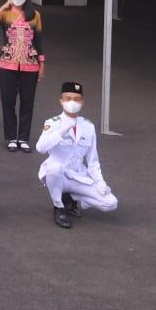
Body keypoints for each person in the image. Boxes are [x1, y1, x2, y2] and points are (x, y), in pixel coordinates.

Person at [36, 81, 117, 228]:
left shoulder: (88, 126)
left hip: (78, 176)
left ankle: (72, 197)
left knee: (110, 203)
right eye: (67, 98)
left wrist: (100, 181)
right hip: (57, 174)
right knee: (54, 168)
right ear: (61, 101)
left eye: (76, 99)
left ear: (82, 102)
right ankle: (59, 207)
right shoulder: (53, 122)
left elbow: (93, 161)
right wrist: (59, 132)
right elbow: (40, 148)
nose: (72, 102)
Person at [0, 0, 46, 152]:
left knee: (28, 101)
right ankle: (11, 137)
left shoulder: (34, 15)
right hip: (7, 64)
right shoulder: (6, 14)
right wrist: (4, 6)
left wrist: (41, 64)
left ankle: (24, 138)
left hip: (30, 64)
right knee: (8, 101)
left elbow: (39, 41)